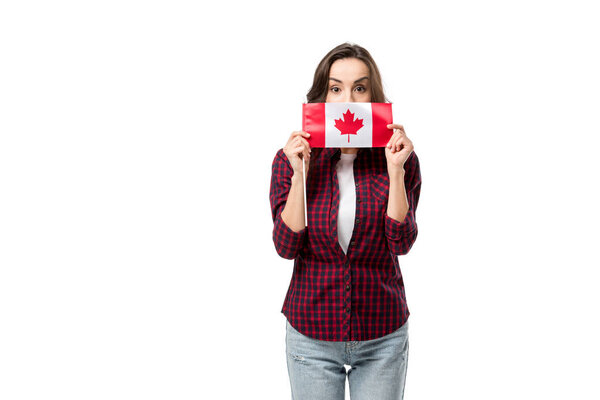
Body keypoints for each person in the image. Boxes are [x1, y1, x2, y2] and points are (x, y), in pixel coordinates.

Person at [269, 42, 421, 400]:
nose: (348, 99)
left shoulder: (400, 160)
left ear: (373, 97)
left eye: (360, 88)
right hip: (312, 333)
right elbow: (286, 246)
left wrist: (396, 172)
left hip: (382, 330)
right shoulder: (290, 160)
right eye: (336, 88)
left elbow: (401, 243)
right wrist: (298, 176)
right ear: (321, 97)